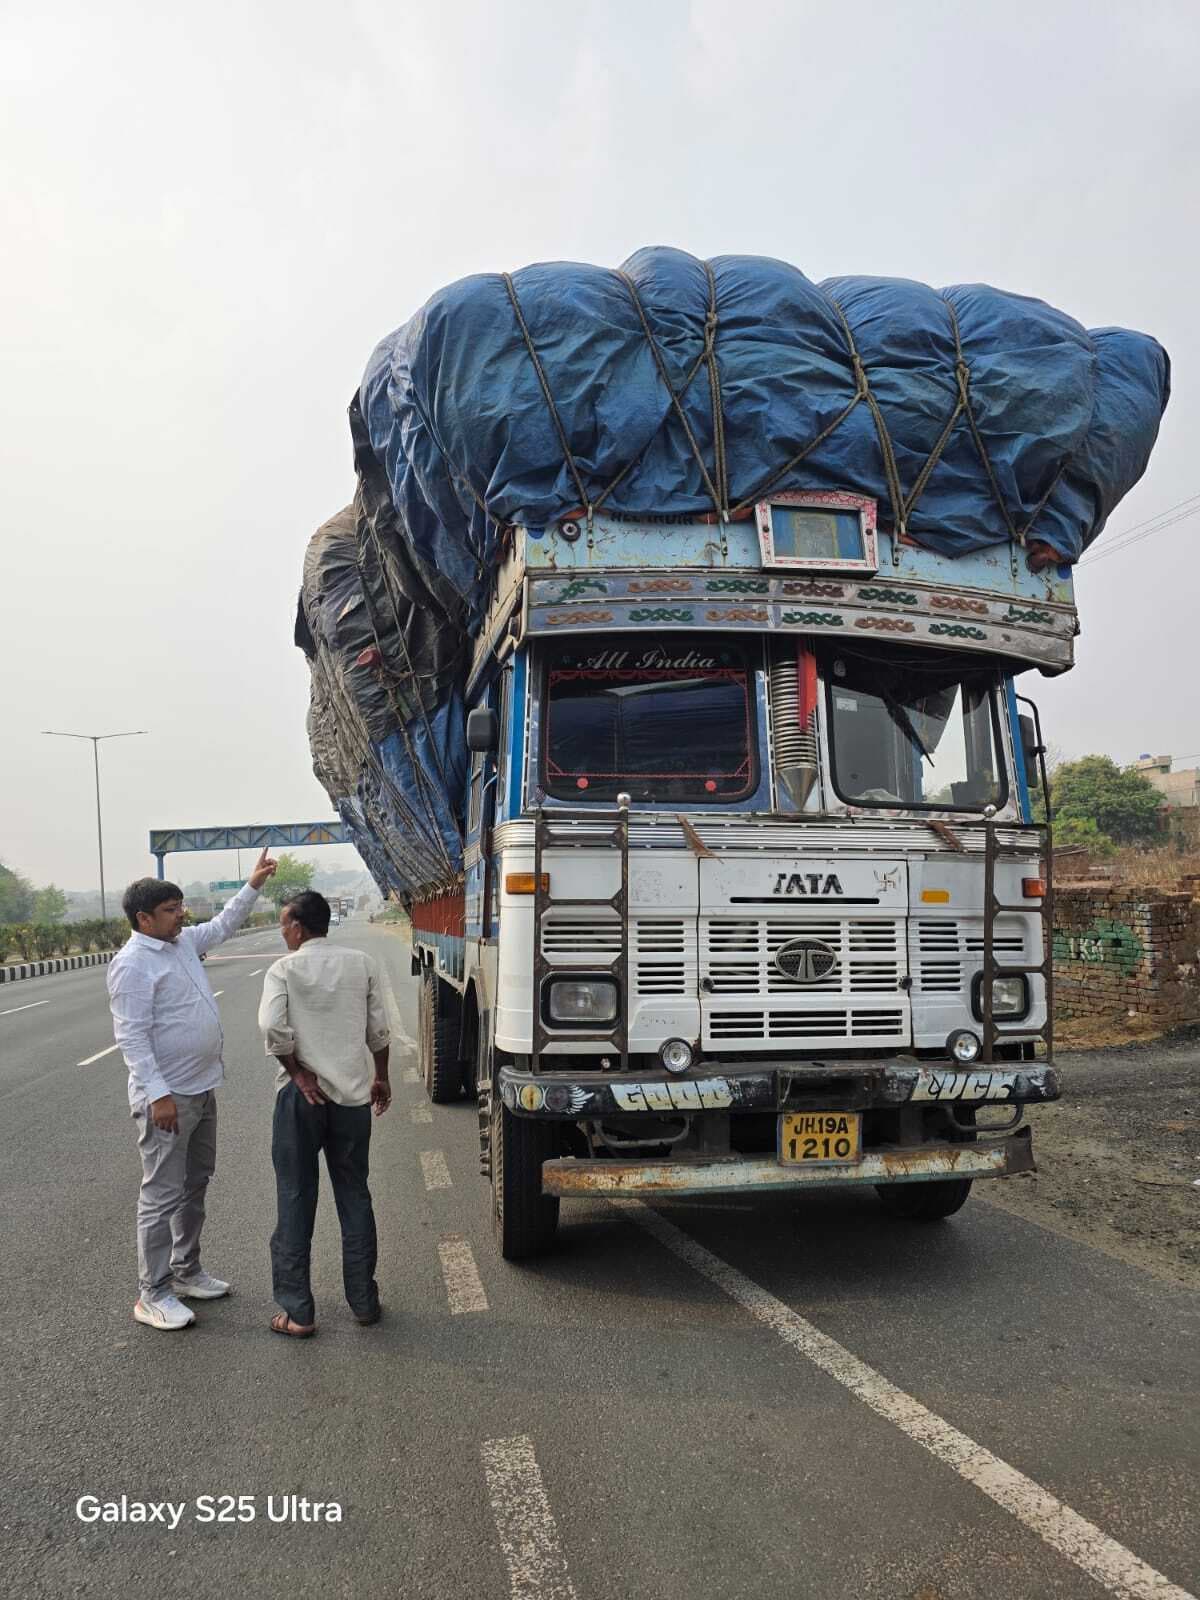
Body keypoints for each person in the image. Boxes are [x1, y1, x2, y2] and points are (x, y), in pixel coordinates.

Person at [108, 847, 278, 1331]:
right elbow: (132, 1037)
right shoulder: (132, 964)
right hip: (169, 1097)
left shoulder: (180, 943)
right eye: (170, 910)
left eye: (181, 906)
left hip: (201, 1089)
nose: (181, 915)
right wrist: (158, 1095)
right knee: (161, 1194)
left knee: (195, 1184)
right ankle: (152, 1292)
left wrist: (254, 885)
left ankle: (185, 1271)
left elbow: (224, 924)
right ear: (143, 918)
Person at [257, 890, 392, 1337]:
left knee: (296, 1195)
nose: (282, 933)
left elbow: (273, 1027)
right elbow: (378, 1030)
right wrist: (382, 1076)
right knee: (354, 1194)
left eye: (283, 925)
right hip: (353, 1097)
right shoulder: (361, 963)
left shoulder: (284, 969)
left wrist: (297, 1073)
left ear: (297, 927)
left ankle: (298, 1312)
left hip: (302, 1100)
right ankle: (364, 1302)